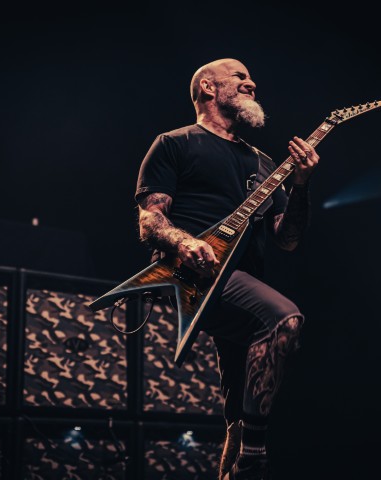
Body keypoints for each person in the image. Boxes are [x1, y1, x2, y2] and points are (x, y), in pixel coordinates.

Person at [135, 58, 320, 480]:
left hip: (242, 280)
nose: (251, 83)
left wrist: (301, 184)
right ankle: (254, 452)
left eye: (251, 77)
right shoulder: (175, 143)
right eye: (239, 76)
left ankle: (236, 467)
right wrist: (185, 242)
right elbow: (150, 220)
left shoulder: (263, 163)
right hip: (191, 275)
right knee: (284, 319)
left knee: (237, 404)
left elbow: (288, 239)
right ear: (208, 87)